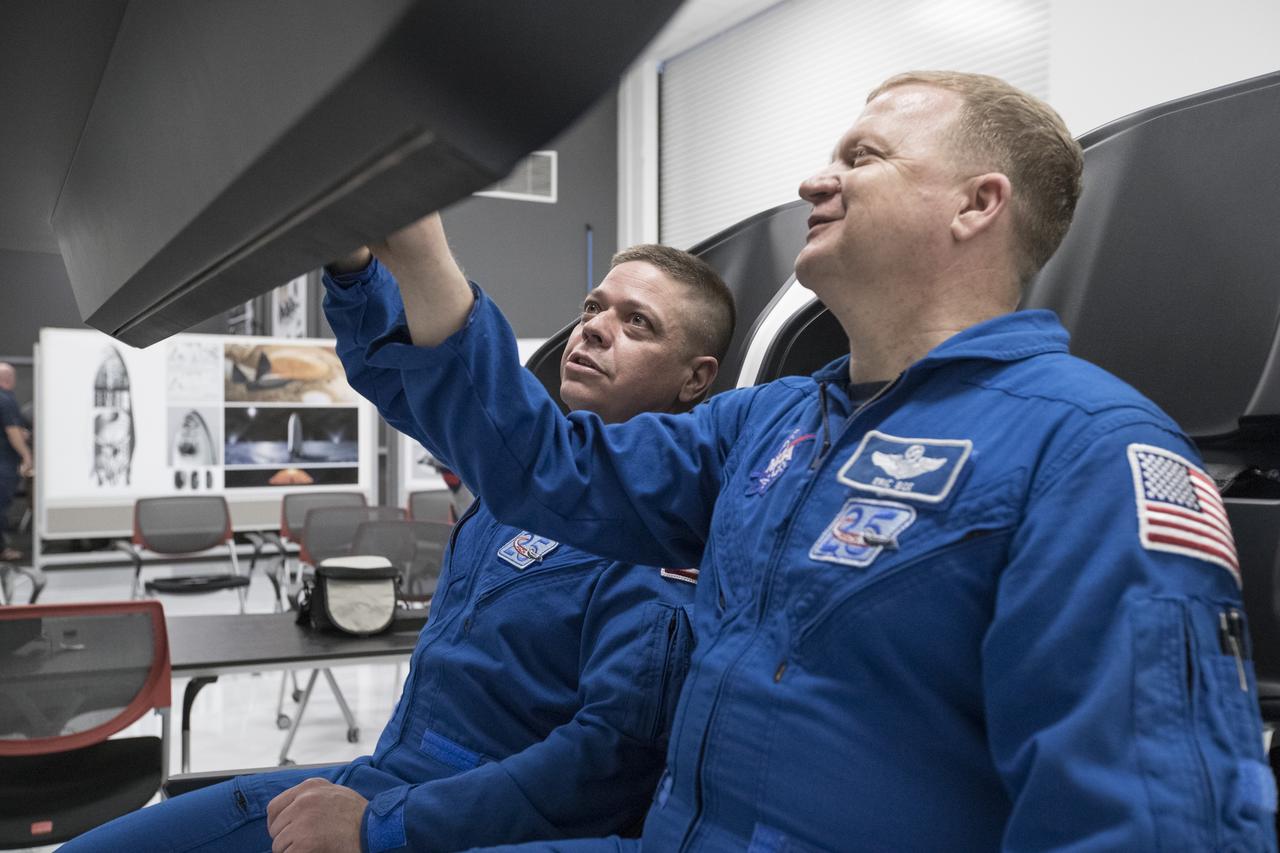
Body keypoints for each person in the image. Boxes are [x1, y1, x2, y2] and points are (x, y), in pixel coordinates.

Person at [341, 72, 1276, 851]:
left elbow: (1148, 823)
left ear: (977, 204)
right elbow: (541, 463)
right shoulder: (771, 423)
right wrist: (417, 252)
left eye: (860, 159)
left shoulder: (1091, 451)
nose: (812, 182)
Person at [62, 240, 735, 852]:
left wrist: (384, 825)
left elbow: (601, 766)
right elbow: (415, 380)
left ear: (695, 378)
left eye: (636, 321)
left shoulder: (659, 541)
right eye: (594, 306)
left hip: (443, 822)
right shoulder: (525, 474)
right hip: (387, 775)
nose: (594, 326)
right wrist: (356, 269)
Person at [0, 362, 32, 562]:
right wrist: (27, 455)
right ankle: (2, 550)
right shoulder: (6, 400)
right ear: (9, 379)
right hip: (3, 464)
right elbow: (12, 432)